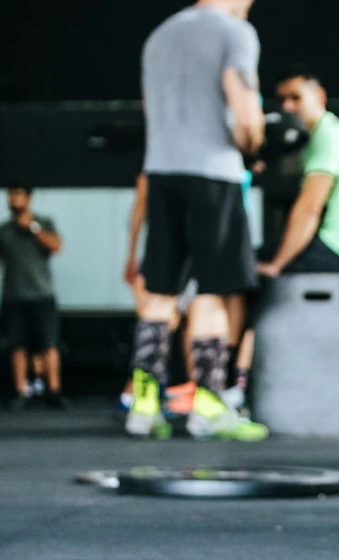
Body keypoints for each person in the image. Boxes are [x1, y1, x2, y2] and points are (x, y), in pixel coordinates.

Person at [127, 0, 268, 440]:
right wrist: (254, 143)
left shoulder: (159, 35)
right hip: (213, 174)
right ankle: (207, 407)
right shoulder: (234, 32)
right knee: (212, 291)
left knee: (158, 291)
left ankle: (144, 406)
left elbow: (153, 111)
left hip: (163, 172)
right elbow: (244, 113)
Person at [256, 65, 339, 277]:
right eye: (282, 100)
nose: (287, 107)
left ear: (320, 96)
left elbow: (309, 209)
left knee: (240, 267)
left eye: (295, 98)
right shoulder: (338, 131)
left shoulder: (326, 136)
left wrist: (276, 265)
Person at [0, 185, 66, 410]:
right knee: (17, 345)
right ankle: (21, 391)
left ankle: (53, 391)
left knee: (49, 344)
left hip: (42, 294)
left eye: (17, 194)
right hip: (14, 296)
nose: (13, 198)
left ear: (28, 197)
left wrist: (33, 228)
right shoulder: (3, 230)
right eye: (10, 194)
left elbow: (57, 246)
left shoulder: (43, 223)